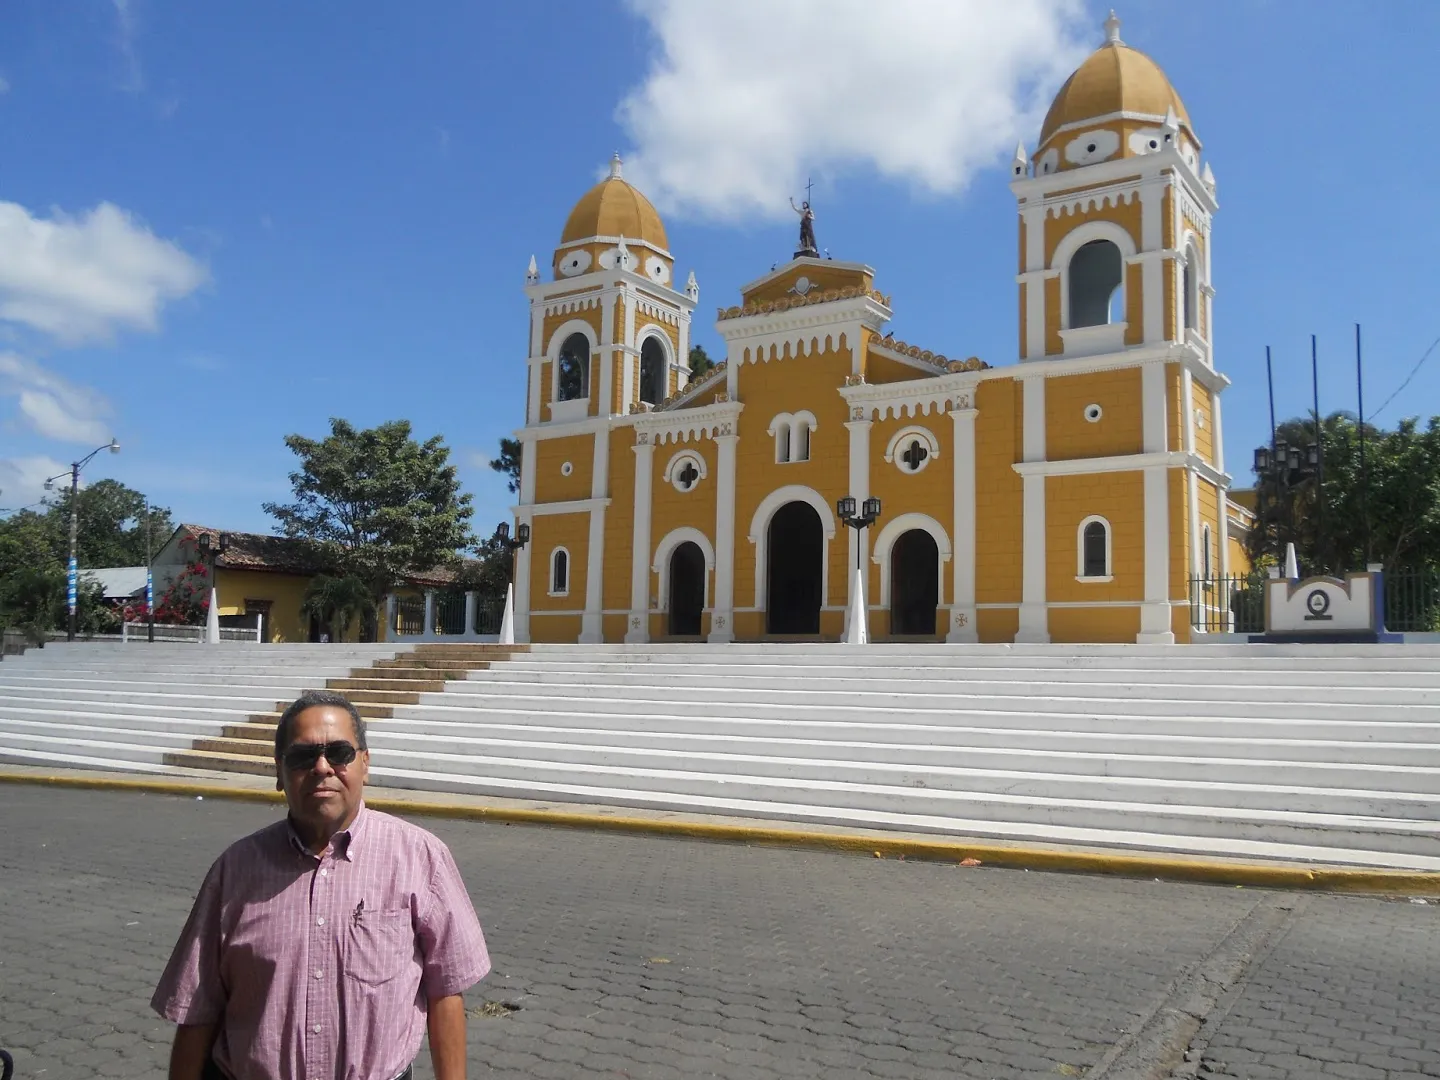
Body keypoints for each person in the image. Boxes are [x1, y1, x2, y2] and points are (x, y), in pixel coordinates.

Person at [152, 690, 490, 1080]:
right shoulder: (235, 870)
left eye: (340, 753)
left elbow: (445, 989)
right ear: (279, 773)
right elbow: (199, 1006)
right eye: (302, 756)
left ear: (365, 764)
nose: (322, 767)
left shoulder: (421, 858)